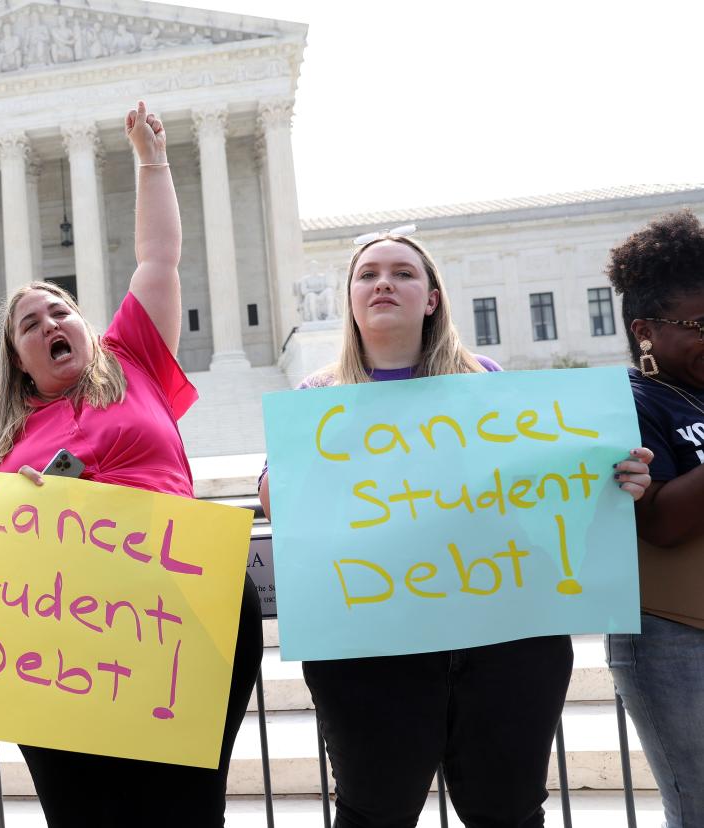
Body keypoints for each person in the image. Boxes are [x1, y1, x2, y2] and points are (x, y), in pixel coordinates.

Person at [258, 228, 653, 827]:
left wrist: (617, 477)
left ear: (433, 298)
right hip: (371, 649)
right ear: (350, 299)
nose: (384, 282)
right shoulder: (318, 398)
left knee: (509, 810)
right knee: (375, 810)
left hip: (503, 642)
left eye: (403, 272)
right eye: (367, 274)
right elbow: (276, 500)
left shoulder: (486, 382)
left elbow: (543, 489)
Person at [0, 101, 263, 826]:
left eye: (60, 310)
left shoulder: (132, 359)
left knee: (186, 811)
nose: (50, 325)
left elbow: (158, 257)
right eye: (30, 325)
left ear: (87, 325)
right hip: (65, 640)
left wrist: (151, 160)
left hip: (185, 608)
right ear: (17, 358)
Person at [604, 209, 704, 828]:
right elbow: (662, 520)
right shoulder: (626, 404)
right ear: (645, 331)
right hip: (673, 635)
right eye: (700, 324)